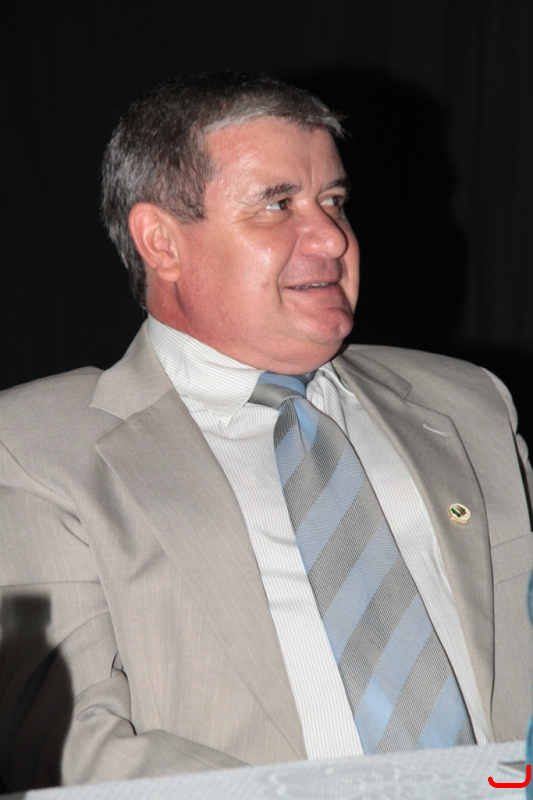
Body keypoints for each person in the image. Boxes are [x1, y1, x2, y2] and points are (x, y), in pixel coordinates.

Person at [0, 72, 532, 792]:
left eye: (333, 200)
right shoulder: (36, 449)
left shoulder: (468, 404)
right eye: (277, 205)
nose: (332, 237)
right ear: (161, 241)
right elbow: (64, 743)